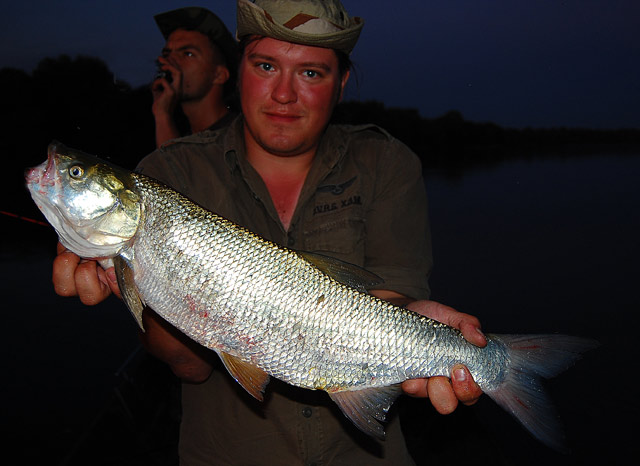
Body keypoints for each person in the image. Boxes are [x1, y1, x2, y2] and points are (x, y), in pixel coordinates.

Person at [53, 0, 486, 464]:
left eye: (311, 74)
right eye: (266, 66)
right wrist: (134, 286)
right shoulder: (169, 172)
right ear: (238, 71)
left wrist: (415, 327)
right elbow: (191, 366)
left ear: (340, 84)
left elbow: (388, 298)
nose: (284, 94)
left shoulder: (386, 162)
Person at [152, 7, 238, 147]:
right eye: (167, 54)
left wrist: (163, 116)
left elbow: (176, 167)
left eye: (188, 54)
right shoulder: (181, 135)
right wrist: (162, 114)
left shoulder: (240, 137)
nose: (169, 61)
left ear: (219, 75)